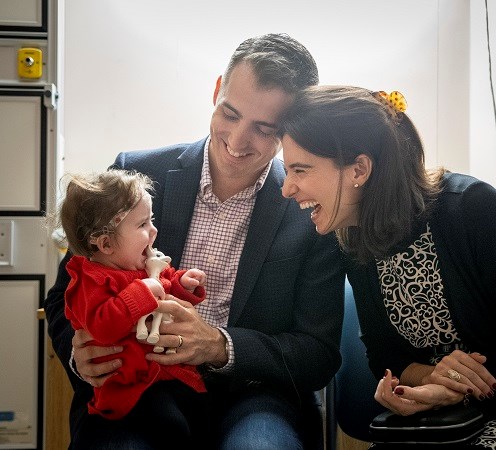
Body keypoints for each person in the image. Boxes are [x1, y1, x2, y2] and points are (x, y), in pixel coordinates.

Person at [44, 34, 345, 450]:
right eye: (231, 113)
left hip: (255, 395)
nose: (238, 142)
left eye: (263, 128)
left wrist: (221, 346)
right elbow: (64, 296)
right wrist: (82, 359)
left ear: (289, 129)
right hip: (140, 387)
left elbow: (318, 353)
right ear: (217, 89)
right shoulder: (133, 174)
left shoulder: (314, 211)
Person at [280, 85, 496, 449]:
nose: (287, 188)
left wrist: (456, 391)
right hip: (439, 424)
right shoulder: (352, 238)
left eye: (300, 170)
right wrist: (432, 381)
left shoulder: (471, 209)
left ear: (359, 169)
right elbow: (383, 354)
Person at [55, 169, 208, 447]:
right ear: (106, 244)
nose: (154, 231)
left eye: (152, 220)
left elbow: (166, 282)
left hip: (161, 374)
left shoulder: (136, 265)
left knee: (199, 412)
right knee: (173, 427)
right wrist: (143, 291)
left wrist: (184, 284)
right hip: (129, 386)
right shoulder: (90, 282)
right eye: (143, 225)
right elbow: (103, 326)